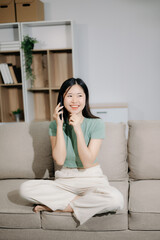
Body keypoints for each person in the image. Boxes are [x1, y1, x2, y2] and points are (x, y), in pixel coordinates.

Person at [20, 78, 124, 225]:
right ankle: (83, 204)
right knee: (25, 189)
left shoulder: (96, 123)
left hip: (91, 178)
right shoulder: (54, 125)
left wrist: (78, 130)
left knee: (116, 199)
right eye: (69, 95)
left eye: (79, 95)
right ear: (62, 98)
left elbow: (87, 162)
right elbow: (60, 160)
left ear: (85, 98)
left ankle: (61, 207)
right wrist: (59, 125)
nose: (75, 100)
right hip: (65, 180)